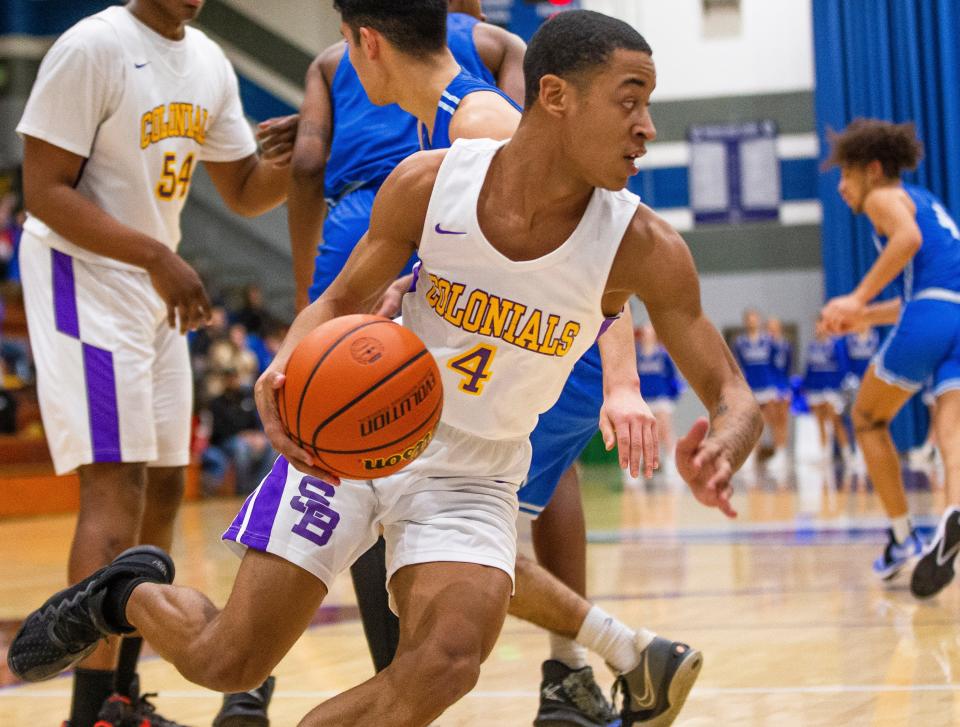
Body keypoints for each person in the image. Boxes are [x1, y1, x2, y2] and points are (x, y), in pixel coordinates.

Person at [8, 9, 763, 727]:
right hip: (347, 446)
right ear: (556, 97)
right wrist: (288, 366)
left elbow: (732, 392)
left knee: (450, 658)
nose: (648, 128)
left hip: (474, 475)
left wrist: (723, 444)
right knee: (227, 661)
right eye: (631, 102)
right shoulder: (432, 184)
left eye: (650, 104)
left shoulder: (645, 246)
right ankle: (123, 595)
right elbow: (336, 302)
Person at [329, 4, 672, 723]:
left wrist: (623, 380)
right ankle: (603, 659)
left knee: (460, 535)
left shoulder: (475, 119)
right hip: (512, 349)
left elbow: (594, 244)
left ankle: (606, 657)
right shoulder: (438, 132)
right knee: (456, 536)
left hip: (543, 349)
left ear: (370, 42)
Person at [12, 0, 294, 724]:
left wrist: (308, 155)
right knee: (118, 484)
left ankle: (119, 694)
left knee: (168, 484)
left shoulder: (206, 59)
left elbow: (242, 188)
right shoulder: (92, 47)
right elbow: (40, 193)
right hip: (87, 276)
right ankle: (88, 710)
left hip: (153, 283)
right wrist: (156, 255)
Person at [287, 0, 527, 681]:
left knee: (350, 450)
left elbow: (306, 164)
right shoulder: (489, 47)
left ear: (365, 40)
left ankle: (343, 674)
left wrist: (306, 292)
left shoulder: (347, 66)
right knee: (405, 454)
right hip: (427, 237)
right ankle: (561, 664)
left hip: (365, 227)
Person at [821, 118, 960, 594]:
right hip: (953, 314)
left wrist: (856, 298)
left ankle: (902, 537)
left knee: (865, 419)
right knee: (952, 430)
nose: (841, 187)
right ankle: (953, 514)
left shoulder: (883, 198)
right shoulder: (927, 202)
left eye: (846, 175)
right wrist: (865, 318)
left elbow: (908, 242)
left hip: (932, 315)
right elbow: (927, 288)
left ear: (873, 170)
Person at [624, 323, 681, 487]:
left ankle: (673, 468)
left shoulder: (662, 354)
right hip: (642, 399)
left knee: (665, 432)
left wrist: (672, 396)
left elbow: (672, 376)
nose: (647, 334)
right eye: (645, 332)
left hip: (661, 398)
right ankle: (633, 470)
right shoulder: (636, 354)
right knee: (639, 434)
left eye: (650, 332)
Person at [802, 318, 854, 466]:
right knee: (820, 423)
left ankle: (847, 453)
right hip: (815, 389)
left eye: (822, 326)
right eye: (816, 326)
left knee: (836, 422)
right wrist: (806, 388)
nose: (819, 329)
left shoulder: (836, 344)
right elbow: (809, 368)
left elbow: (843, 367)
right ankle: (824, 454)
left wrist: (841, 389)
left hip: (832, 389)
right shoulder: (812, 346)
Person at [732, 309, 778, 464]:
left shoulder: (768, 341)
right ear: (745, 321)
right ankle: (753, 454)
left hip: (768, 386)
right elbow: (737, 365)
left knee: (772, 420)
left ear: (759, 320)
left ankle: (778, 453)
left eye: (754, 318)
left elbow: (775, 364)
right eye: (749, 319)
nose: (752, 321)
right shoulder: (740, 342)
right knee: (753, 423)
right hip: (750, 387)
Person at [765, 317, 792, 472]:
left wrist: (786, 386)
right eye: (769, 327)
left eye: (774, 327)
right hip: (770, 386)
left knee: (783, 419)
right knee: (773, 420)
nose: (772, 330)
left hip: (783, 385)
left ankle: (782, 453)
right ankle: (777, 451)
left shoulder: (786, 346)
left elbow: (788, 366)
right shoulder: (765, 345)